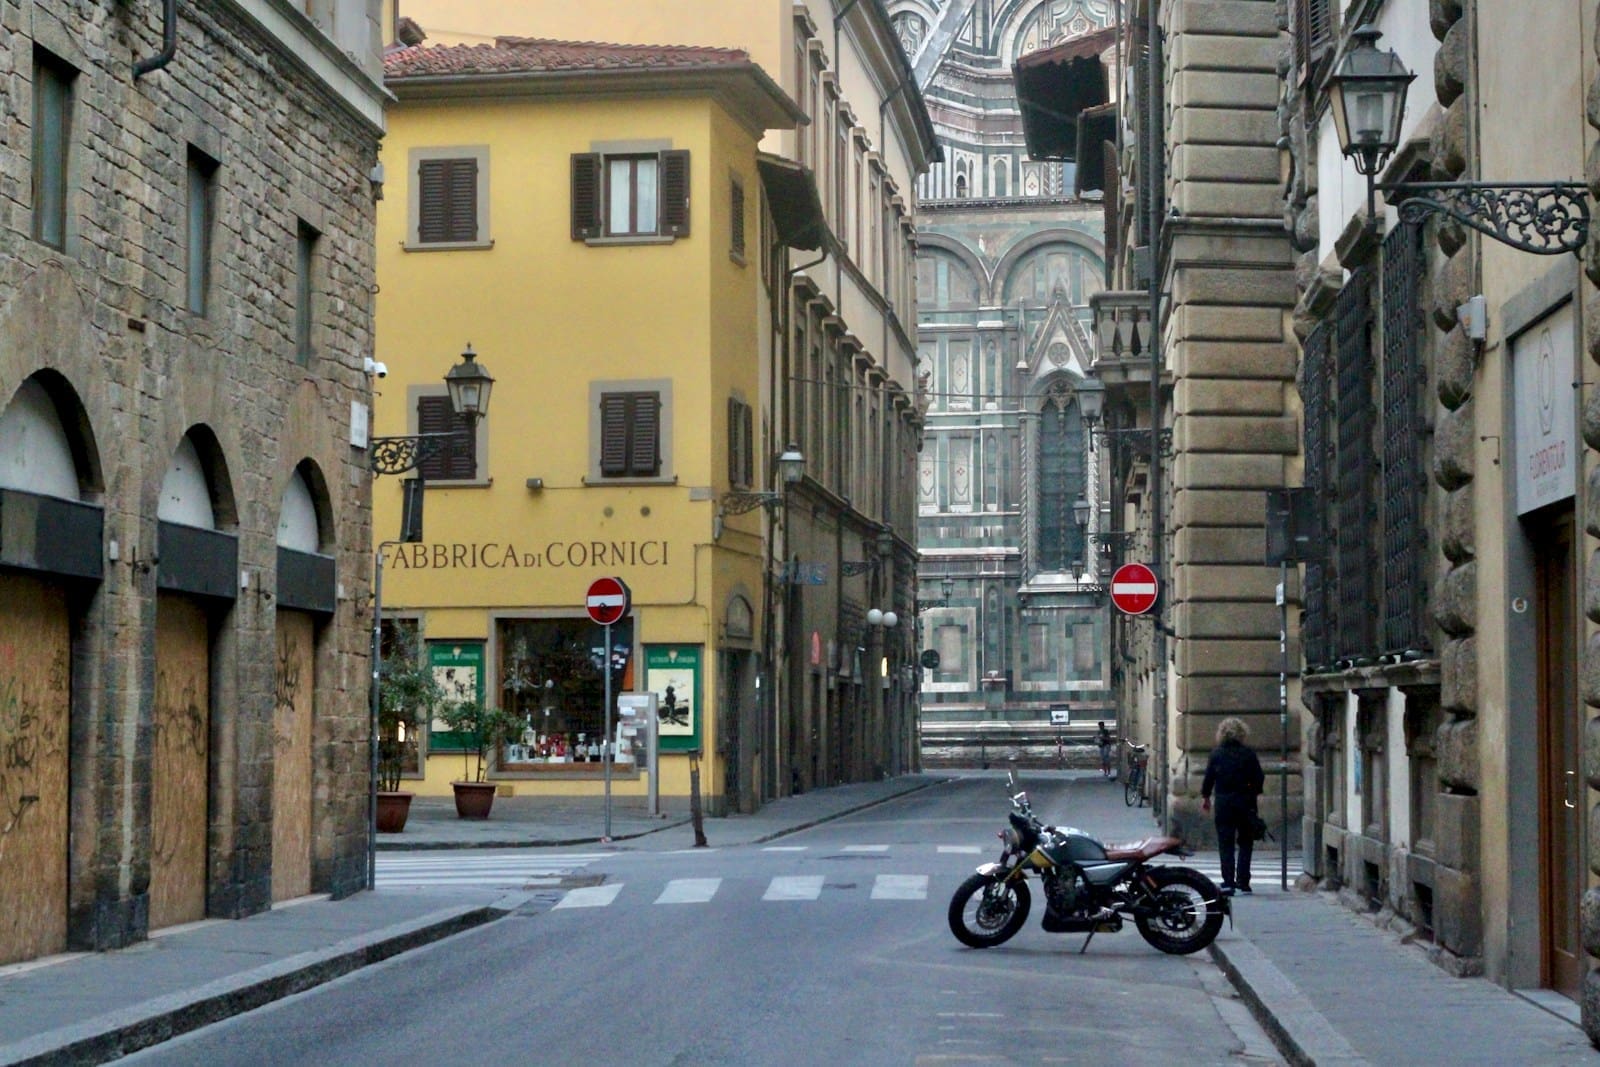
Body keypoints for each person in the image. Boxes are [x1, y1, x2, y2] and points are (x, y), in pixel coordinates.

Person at [1201, 717, 1264, 894]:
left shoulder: (1216, 754)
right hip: (1246, 803)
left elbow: (1209, 778)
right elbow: (1258, 778)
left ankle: (1228, 881)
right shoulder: (1248, 754)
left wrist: (1206, 797)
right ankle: (1243, 881)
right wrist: (1252, 791)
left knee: (1225, 843)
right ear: (1242, 733)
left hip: (1224, 804)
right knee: (1246, 841)